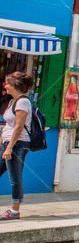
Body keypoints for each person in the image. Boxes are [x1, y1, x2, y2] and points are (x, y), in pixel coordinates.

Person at [1, 71, 35, 220]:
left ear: (15, 85)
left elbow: (19, 127)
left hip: (17, 144)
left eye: (7, 83)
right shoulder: (12, 101)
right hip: (9, 143)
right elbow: (9, 125)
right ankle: (14, 209)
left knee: (15, 177)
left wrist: (9, 147)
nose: (5, 86)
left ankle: (14, 210)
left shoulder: (23, 102)